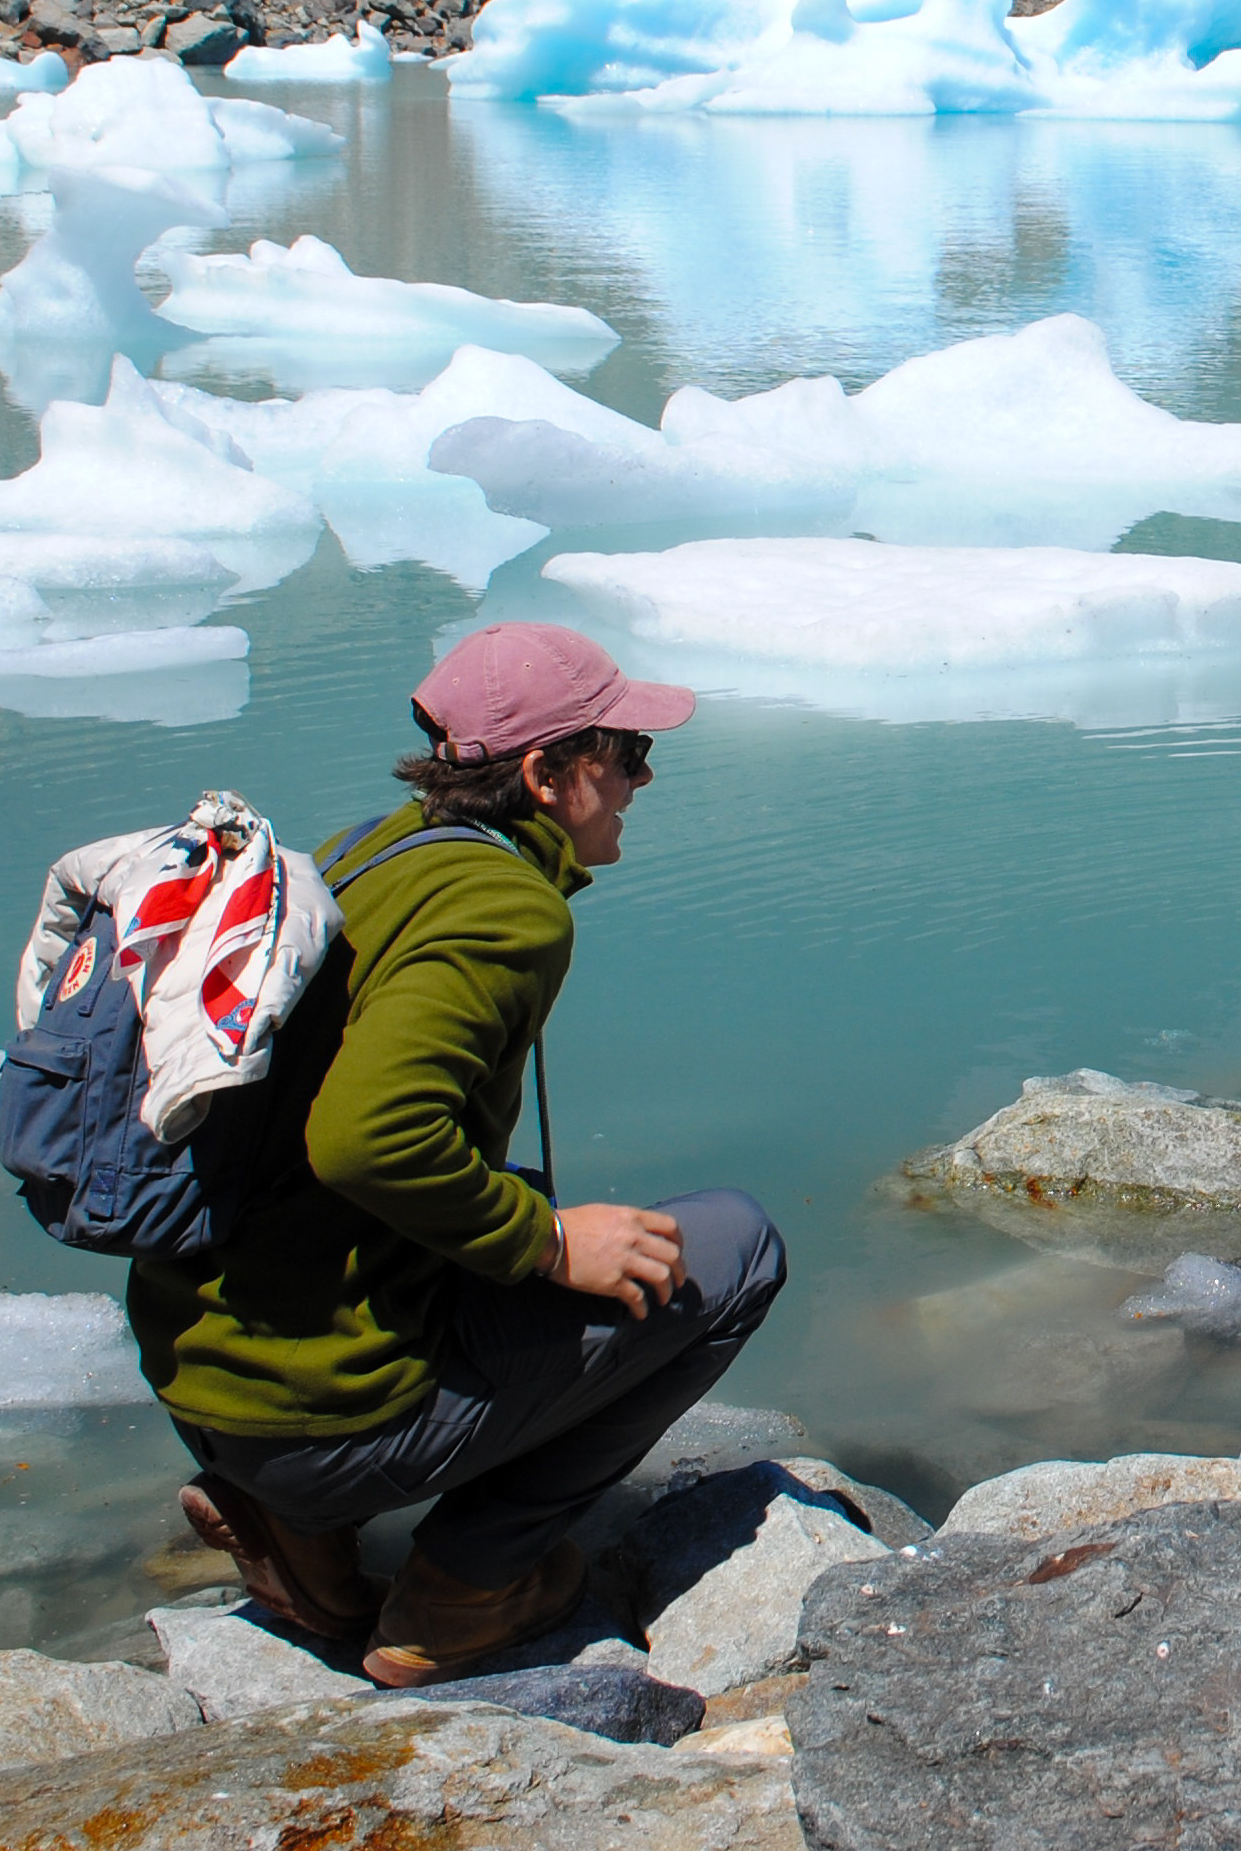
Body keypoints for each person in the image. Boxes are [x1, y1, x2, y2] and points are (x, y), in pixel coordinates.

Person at [136, 622, 785, 1686]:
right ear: (544, 772)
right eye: (622, 753)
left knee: (522, 1203)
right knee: (731, 1252)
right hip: (320, 1408)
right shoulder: (501, 906)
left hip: (209, 1373)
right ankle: (463, 1592)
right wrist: (542, 1244)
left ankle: (299, 1532)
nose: (642, 776)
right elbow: (364, 1139)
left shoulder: (364, 851)